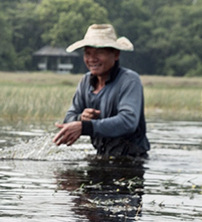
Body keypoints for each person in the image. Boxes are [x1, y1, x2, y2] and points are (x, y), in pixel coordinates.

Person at [52, 24, 150, 157]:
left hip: (132, 160)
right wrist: (81, 118)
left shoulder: (129, 80)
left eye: (99, 52)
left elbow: (127, 122)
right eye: (87, 53)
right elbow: (69, 118)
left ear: (115, 54)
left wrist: (85, 127)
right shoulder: (85, 81)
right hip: (102, 156)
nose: (92, 59)